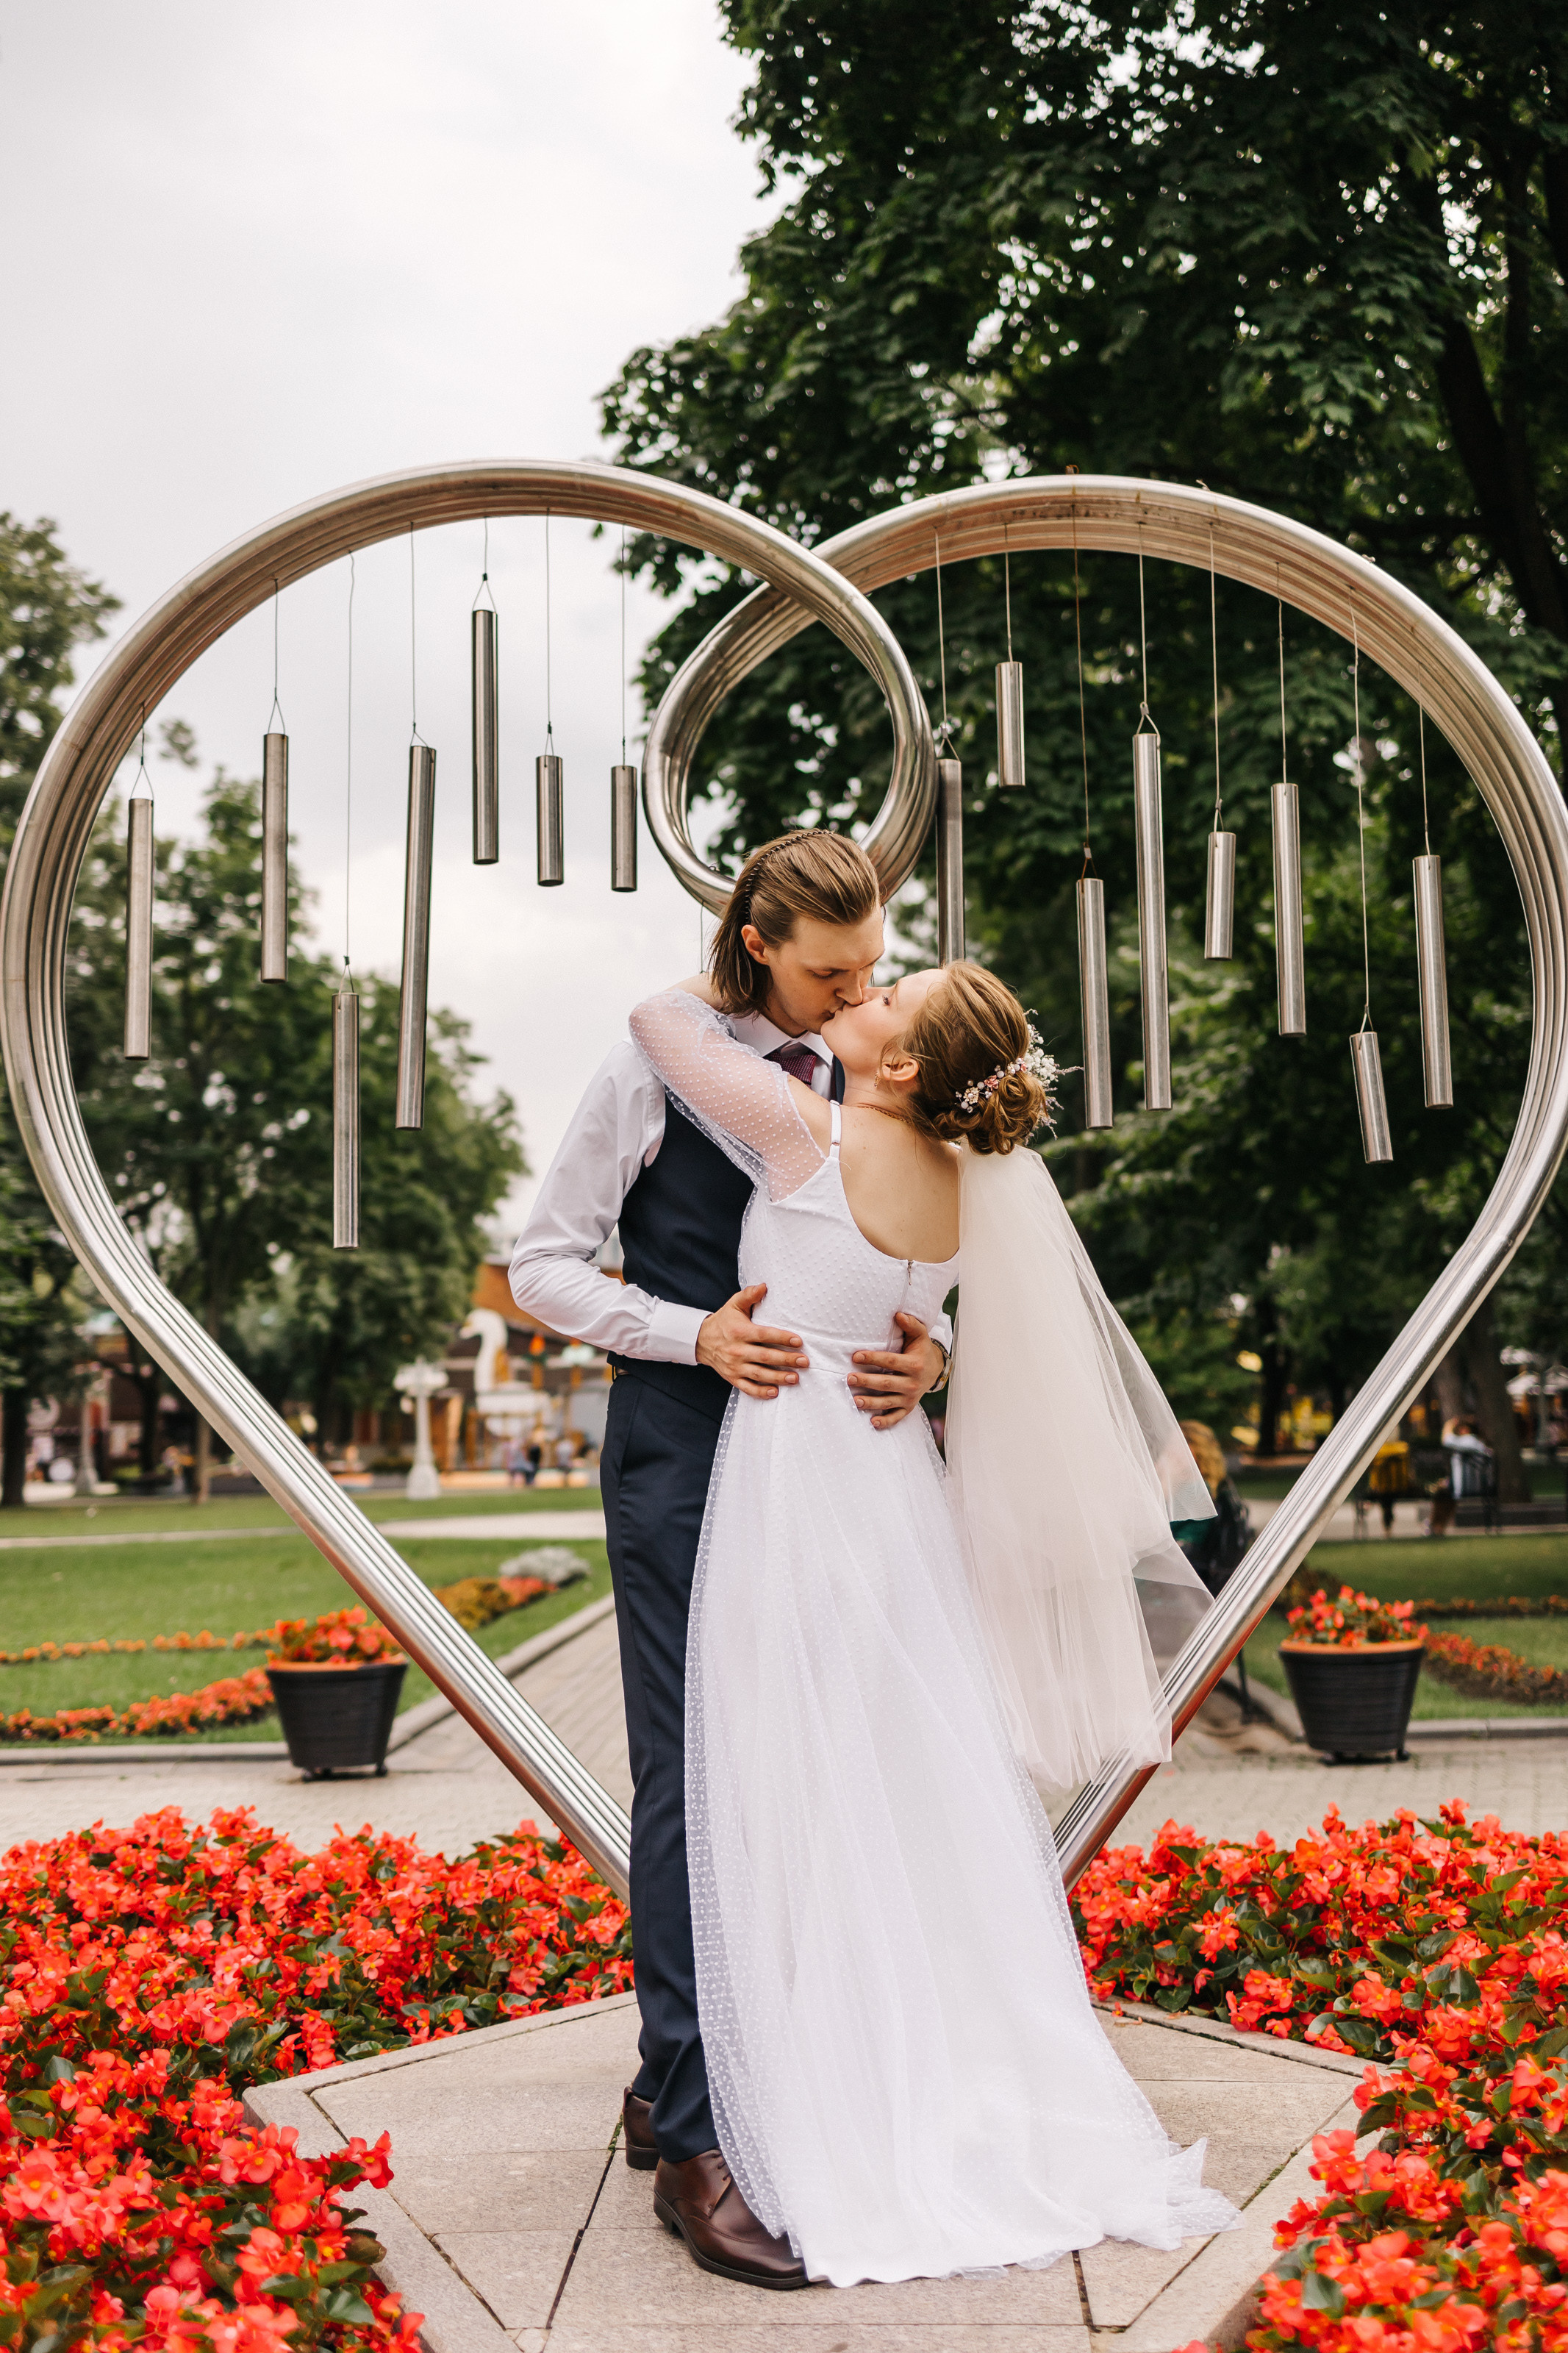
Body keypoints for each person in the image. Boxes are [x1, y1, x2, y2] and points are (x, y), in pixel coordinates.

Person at [622, 957, 1234, 2289]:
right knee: (901, 1776)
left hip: (790, 1486)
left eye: (886, 988)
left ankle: (803, 2063)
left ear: (899, 1067)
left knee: (777, 1777)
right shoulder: (968, 1193)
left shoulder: (802, 1130)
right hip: (896, 1495)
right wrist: (934, 1358)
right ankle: (919, 2036)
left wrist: (749, 966)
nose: (862, 983)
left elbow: (660, 1025)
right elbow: (919, 1317)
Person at [510, 833, 952, 2290]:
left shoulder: (861, 1071)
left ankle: (731, 2081)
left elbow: (909, 1255)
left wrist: (925, 1356)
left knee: (820, 1769)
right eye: (830, 970)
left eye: (871, 966)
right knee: (696, 1774)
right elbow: (543, 1263)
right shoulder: (656, 1063)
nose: (855, 991)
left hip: (840, 1477)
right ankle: (695, 2137)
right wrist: (684, 1329)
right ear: (757, 940)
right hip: (686, 1461)